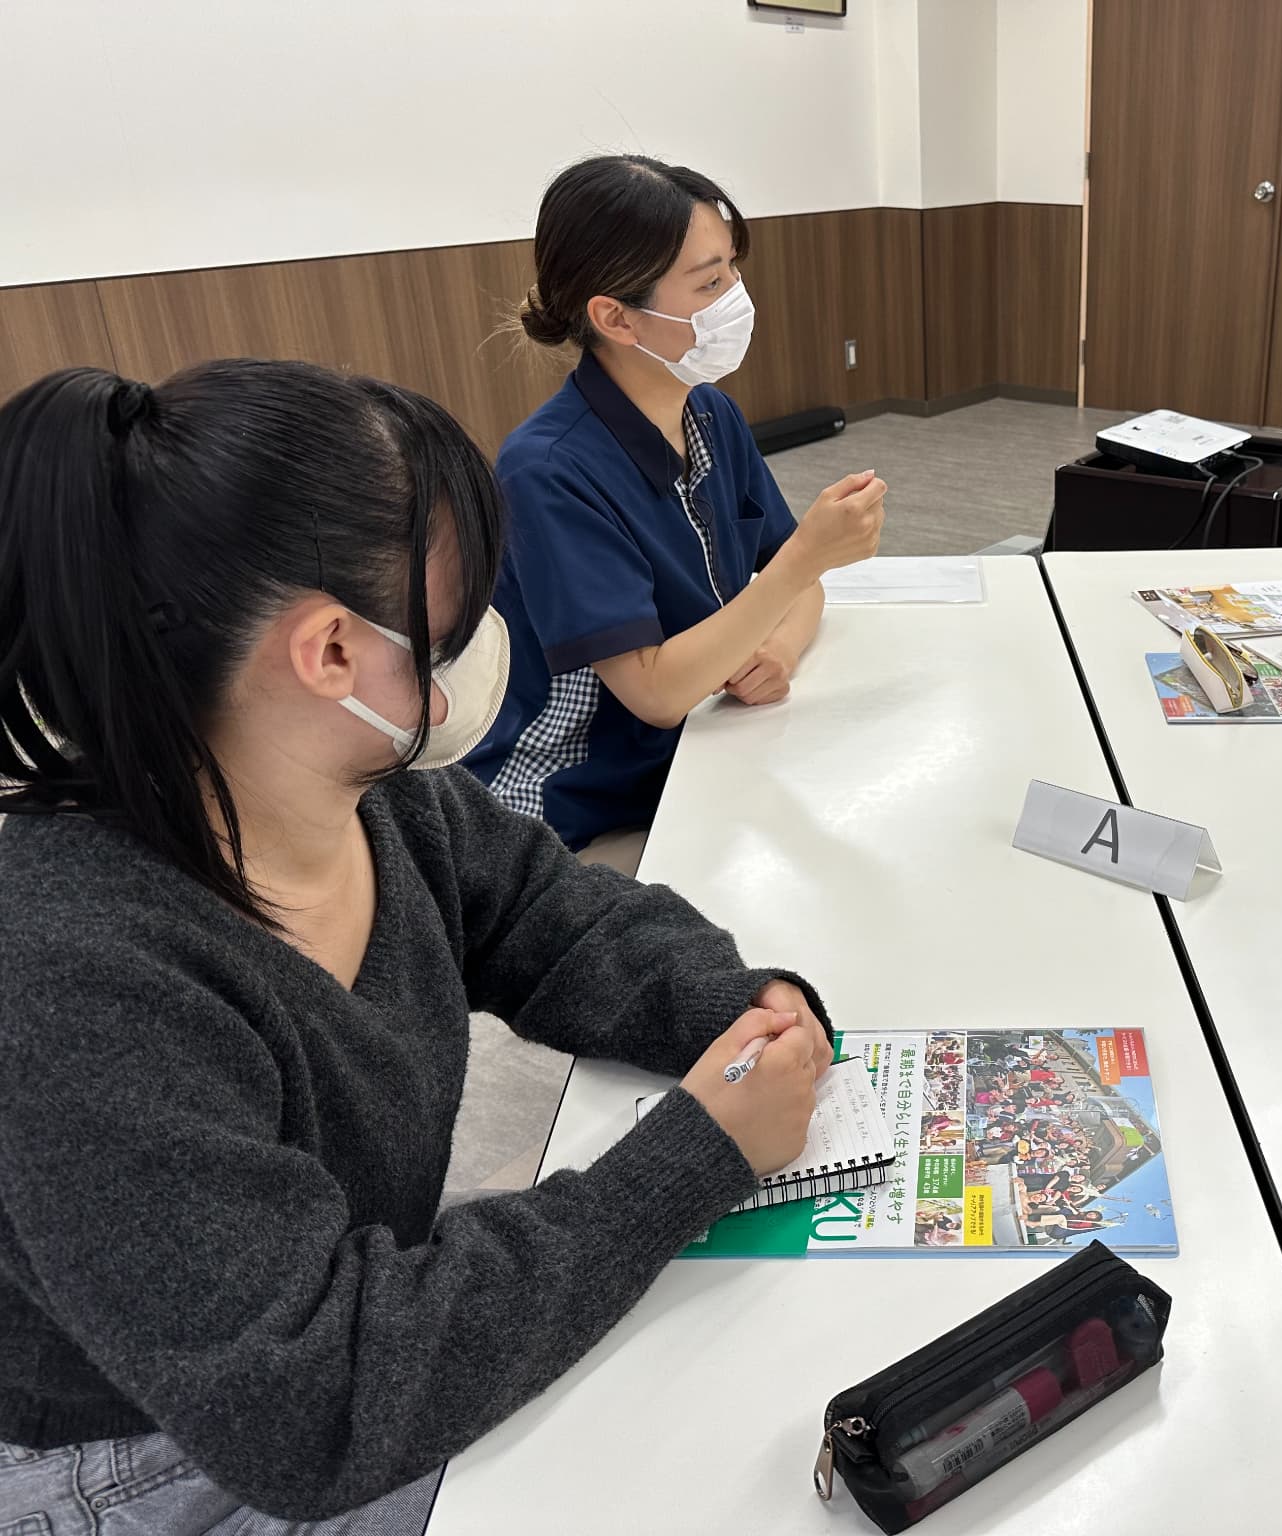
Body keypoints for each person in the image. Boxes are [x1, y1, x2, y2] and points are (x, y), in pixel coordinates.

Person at [0, 361, 832, 1531]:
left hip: (315, 1336)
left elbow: (554, 918)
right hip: (148, 1454)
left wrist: (731, 1002)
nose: (483, 639)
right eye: (449, 620)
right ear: (330, 652)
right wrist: (690, 1161)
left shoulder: (374, 794)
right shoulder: (78, 975)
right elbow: (313, 1403)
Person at [465, 154, 887, 871]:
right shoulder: (547, 469)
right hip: (569, 811)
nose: (737, 299)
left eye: (734, 270)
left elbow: (797, 584)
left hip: (690, 751)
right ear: (615, 317)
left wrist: (776, 655)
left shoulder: (709, 414)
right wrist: (804, 562)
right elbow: (656, 689)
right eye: (711, 282)